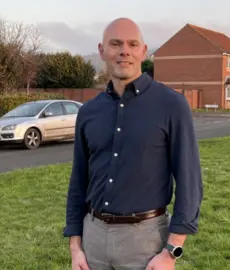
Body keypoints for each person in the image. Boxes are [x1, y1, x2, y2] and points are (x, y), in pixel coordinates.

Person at [64, 17, 203, 270]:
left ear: (143, 50)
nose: (124, 51)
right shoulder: (88, 112)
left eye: (132, 44)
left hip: (146, 242)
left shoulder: (171, 105)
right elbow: (79, 180)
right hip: (93, 238)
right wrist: (76, 247)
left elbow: (189, 180)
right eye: (115, 44)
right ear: (102, 51)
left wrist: (171, 251)